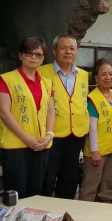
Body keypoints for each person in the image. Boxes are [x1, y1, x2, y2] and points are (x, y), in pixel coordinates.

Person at [0, 37, 55, 198]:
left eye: (39, 55)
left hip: (41, 144)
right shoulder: (6, 79)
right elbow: (4, 112)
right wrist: (26, 138)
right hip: (15, 146)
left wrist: (50, 134)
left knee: (36, 194)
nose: (34, 58)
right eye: (29, 53)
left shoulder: (47, 83)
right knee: (15, 194)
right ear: (20, 55)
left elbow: (50, 110)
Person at [38, 35, 89, 199]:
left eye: (72, 48)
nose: (68, 52)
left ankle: (65, 212)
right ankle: (44, 213)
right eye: (63, 48)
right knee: (47, 176)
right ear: (54, 51)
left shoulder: (83, 74)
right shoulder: (41, 72)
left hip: (76, 134)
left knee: (70, 178)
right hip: (50, 133)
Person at [79, 58, 112, 201]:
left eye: (111, 74)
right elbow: (92, 127)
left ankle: (104, 218)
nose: (108, 77)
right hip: (96, 151)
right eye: (103, 74)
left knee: (106, 186)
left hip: (111, 148)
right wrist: (94, 151)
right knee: (90, 186)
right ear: (96, 77)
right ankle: (85, 218)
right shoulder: (92, 98)